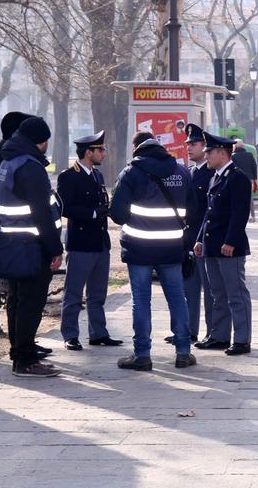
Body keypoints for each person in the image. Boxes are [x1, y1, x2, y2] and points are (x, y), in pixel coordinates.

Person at [109, 136, 195, 370]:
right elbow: (194, 209)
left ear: (138, 151)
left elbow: (117, 213)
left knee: (141, 301)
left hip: (139, 248)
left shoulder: (130, 173)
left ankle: (142, 355)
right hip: (172, 247)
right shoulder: (182, 172)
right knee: (177, 298)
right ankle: (183, 352)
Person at [0, 117, 63, 377]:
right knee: (31, 304)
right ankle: (25, 360)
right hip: (32, 245)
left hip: (12, 243)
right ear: (41, 141)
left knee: (16, 301)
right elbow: (42, 214)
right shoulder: (30, 167)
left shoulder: (8, 162)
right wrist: (55, 249)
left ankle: (19, 353)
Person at [57, 130, 121, 351]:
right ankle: (70, 335)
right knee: (73, 293)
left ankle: (98, 333)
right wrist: (93, 213)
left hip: (100, 242)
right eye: (100, 150)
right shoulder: (68, 176)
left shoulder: (97, 176)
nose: (104, 153)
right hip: (81, 243)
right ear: (88, 152)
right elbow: (65, 208)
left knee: (97, 294)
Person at [194, 133, 252, 355]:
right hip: (212, 244)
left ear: (222, 153)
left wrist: (230, 241)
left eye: (209, 152)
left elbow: (239, 215)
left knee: (236, 293)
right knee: (217, 293)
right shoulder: (215, 177)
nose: (206, 156)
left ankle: (242, 339)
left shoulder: (237, 178)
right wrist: (200, 239)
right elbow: (209, 214)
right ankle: (219, 336)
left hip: (229, 247)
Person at [0, 111, 34, 337]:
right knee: (15, 289)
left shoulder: (6, 155)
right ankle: (19, 341)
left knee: (13, 288)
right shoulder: (9, 159)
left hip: (6, 230)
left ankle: (19, 338)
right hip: (8, 231)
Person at [177, 123, 214, 346]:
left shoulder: (211, 173)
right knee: (189, 289)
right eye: (187, 144)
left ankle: (213, 333)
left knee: (210, 291)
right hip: (188, 240)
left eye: (194, 144)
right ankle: (189, 331)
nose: (188, 148)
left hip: (205, 240)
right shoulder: (189, 172)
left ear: (204, 146)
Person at [232, 140, 258, 222]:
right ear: (243, 146)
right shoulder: (249, 155)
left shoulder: (233, 156)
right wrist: (254, 179)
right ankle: (252, 216)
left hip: (237, 179)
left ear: (234, 147)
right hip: (248, 179)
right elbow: (254, 167)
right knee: (249, 198)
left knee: (237, 198)